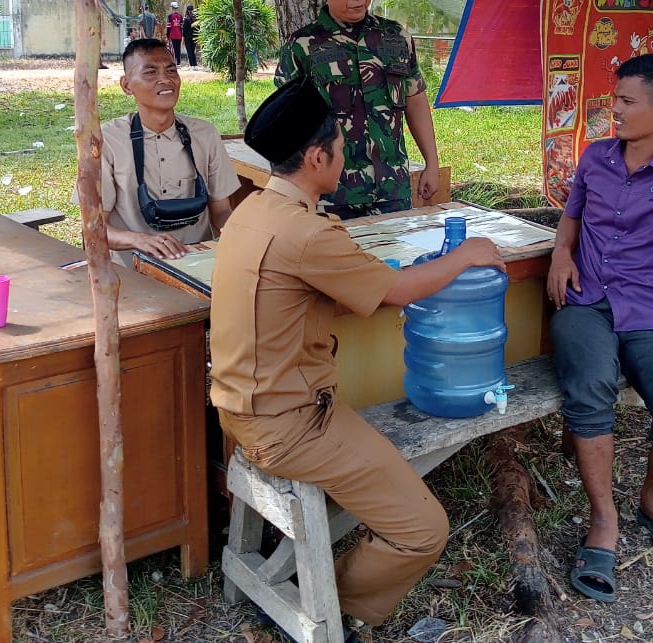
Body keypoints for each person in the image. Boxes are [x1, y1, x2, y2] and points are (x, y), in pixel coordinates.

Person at [210, 74, 505, 635]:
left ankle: (316, 583)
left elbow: (314, 296)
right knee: (422, 530)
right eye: (342, 149)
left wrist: (379, 280)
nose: (346, 157)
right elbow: (394, 293)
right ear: (317, 158)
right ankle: (328, 597)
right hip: (291, 425)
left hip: (243, 411)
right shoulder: (308, 234)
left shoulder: (252, 213)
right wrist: (466, 254)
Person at [546, 53, 653, 602]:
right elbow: (570, 217)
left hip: (651, 309)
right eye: (614, 99)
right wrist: (559, 255)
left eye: (625, 101)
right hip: (585, 302)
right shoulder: (595, 158)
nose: (613, 110)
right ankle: (604, 519)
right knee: (590, 390)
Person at [275, 0, 440, 220]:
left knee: (394, 263)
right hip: (329, 197)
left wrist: (432, 163)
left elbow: (415, 101)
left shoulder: (396, 37)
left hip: (391, 189)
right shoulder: (302, 46)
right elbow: (287, 124)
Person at [98, 38, 240, 262]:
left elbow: (221, 212)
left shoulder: (205, 134)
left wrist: (239, 238)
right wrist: (139, 240)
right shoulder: (106, 140)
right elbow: (93, 229)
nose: (165, 80)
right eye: (151, 72)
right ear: (126, 85)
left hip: (195, 264)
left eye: (171, 70)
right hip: (133, 272)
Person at [167, 1, 185, 65]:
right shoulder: (180, 16)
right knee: (178, 49)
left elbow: (168, 27)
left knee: (173, 50)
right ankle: (179, 62)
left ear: (172, 8)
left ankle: (173, 62)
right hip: (179, 35)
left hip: (172, 35)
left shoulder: (169, 16)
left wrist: (167, 36)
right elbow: (181, 27)